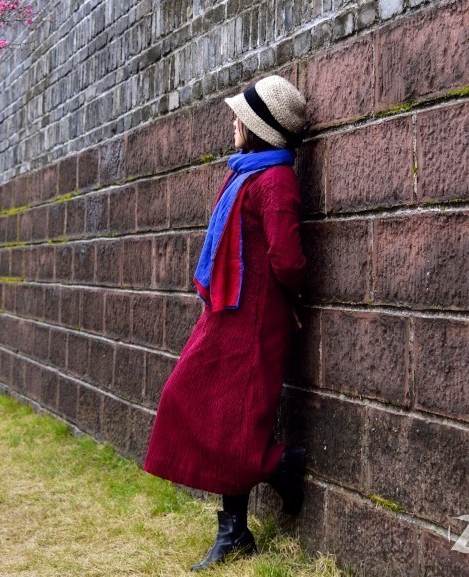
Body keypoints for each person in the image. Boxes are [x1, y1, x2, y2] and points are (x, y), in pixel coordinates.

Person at [142, 74, 309, 571]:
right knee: (193, 401)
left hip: (254, 321)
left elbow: (287, 258)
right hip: (227, 314)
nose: (233, 122)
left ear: (260, 127)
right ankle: (269, 479)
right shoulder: (246, 173)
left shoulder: (274, 181)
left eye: (241, 116)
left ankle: (248, 510)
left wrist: (293, 298)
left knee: (233, 418)